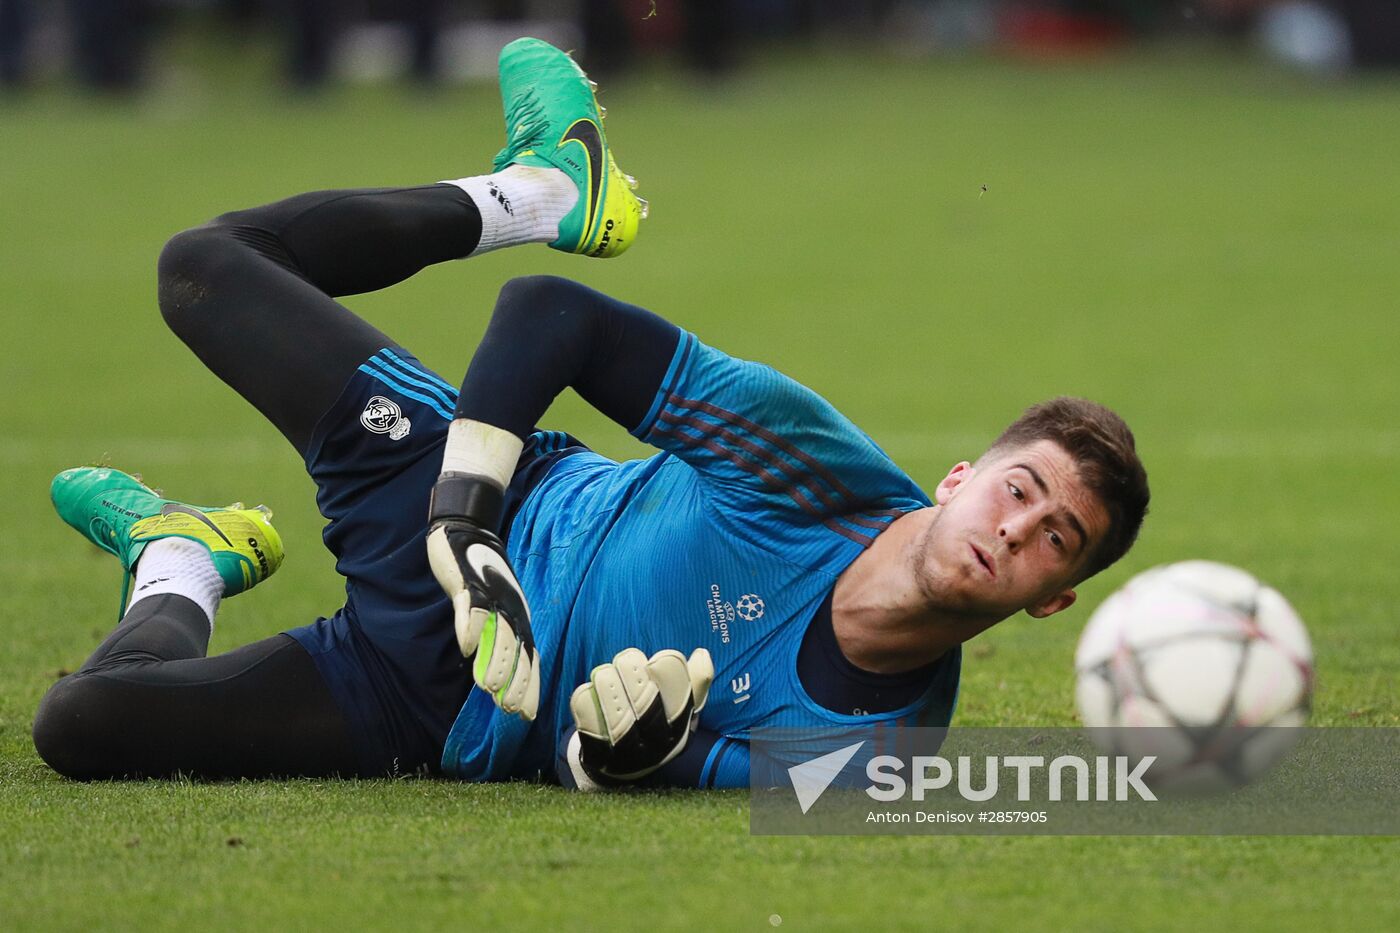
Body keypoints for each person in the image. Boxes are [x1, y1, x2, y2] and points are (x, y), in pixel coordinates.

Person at [32, 38, 1149, 790]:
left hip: (427, 703)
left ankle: (179, 554)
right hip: (479, 488)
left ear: (1052, 599)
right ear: (959, 478)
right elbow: (553, 320)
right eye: (1019, 489)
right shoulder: (818, 468)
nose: (1014, 528)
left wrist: (612, 755)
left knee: (81, 727)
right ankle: (543, 191)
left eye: (1054, 537)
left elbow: (629, 769)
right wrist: (464, 521)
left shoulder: (881, 761)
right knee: (207, 267)